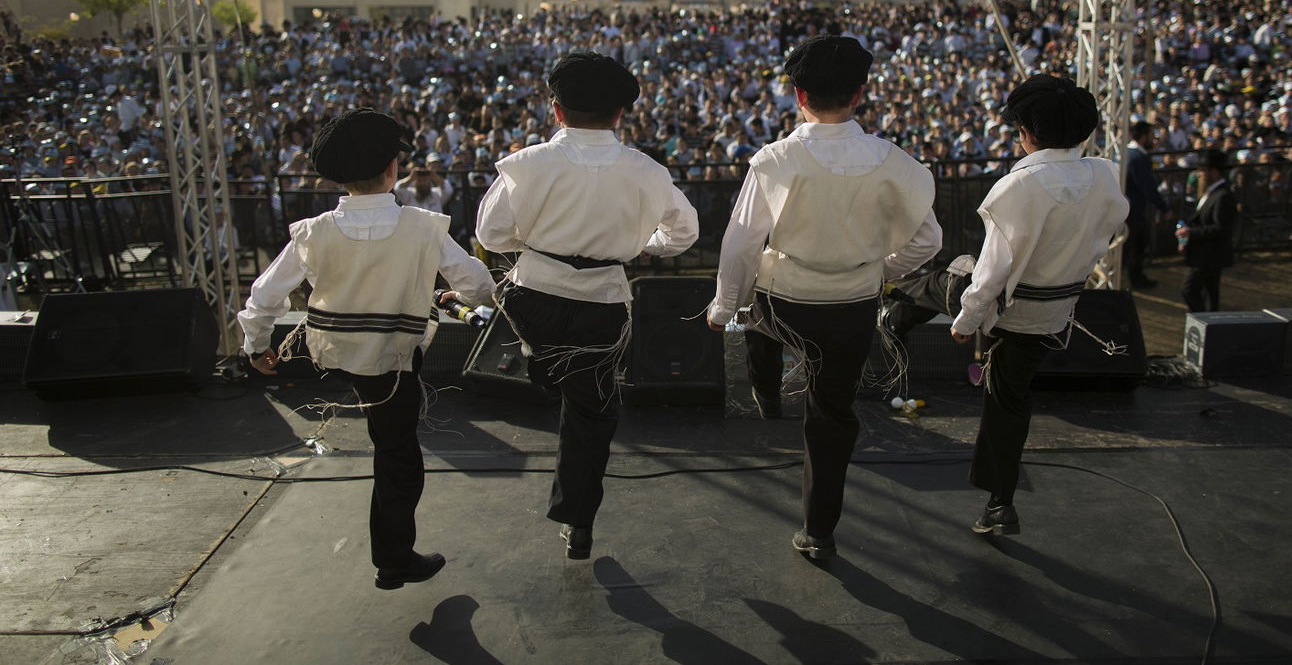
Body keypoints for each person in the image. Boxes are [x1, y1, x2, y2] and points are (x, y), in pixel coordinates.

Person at [237, 108, 495, 590]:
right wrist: (454, 297)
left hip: (338, 351)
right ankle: (394, 559)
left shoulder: (312, 231)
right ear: (394, 168)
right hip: (394, 357)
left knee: (390, 443)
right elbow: (478, 285)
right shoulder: (422, 227)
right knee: (399, 456)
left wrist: (256, 348)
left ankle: (393, 554)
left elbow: (265, 295)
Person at [707, 34, 942, 560]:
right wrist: (879, 269)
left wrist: (724, 308)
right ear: (859, 95)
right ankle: (818, 531)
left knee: (759, 323)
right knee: (832, 412)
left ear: (798, 95)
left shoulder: (775, 158)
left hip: (784, 298)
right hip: (854, 301)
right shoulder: (894, 161)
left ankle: (766, 394)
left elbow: (742, 242)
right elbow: (929, 240)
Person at [475, 51, 698, 560]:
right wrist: (639, 243)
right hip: (602, 303)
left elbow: (490, 233)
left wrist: (536, 242)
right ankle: (578, 518)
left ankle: (538, 365)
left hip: (533, 299)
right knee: (591, 414)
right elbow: (684, 234)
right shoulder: (648, 172)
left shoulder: (525, 165)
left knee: (558, 379)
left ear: (556, 110)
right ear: (621, 113)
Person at [948, 75, 1128, 537]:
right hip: (1055, 310)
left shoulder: (1017, 188)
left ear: (1026, 134)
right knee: (1010, 399)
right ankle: (997, 501)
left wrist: (966, 321)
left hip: (1011, 313)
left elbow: (992, 270)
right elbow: (1107, 230)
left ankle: (1000, 502)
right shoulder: (1105, 176)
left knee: (942, 282)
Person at [1176, 148, 1236, 312]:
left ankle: (1202, 320)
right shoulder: (1211, 192)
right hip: (1207, 253)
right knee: (1210, 292)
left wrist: (1190, 233)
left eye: (1202, 170)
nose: (1199, 174)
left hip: (1209, 254)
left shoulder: (1222, 196)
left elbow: (1220, 228)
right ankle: (1210, 322)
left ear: (1214, 172)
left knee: (1190, 288)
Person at [1124, 121, 1170, 289]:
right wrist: (1163, 207)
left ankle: (1136, 278)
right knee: (1135, 247)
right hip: (1134, 210)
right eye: (1151, 136)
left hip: (1130, 209)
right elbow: (1148, 186)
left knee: (1135, 246)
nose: (1155, 140)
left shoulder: (1130, 153)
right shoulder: (1137, 157)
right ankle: (1135, 279)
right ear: (1143, 137)